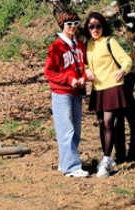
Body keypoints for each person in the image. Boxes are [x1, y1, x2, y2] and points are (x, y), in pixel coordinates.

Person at [83, 12, 133, 178]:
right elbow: (83, 63)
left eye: (98, 26)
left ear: (103, 26)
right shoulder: (87, 45)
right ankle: (107, 156)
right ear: (87, 28)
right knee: (101, 123)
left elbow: (126, 60)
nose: (95, 29)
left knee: (108, 121)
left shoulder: (110, 42)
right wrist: (87, 70)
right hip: (98, 88)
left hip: (112, 86)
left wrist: (123, 70)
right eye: (91, 26)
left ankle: (106, 159)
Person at [44, 10, 89, 178]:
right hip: (61, 93)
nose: (72, 27)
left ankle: (65, 162)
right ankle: (71, 167)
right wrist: (68, 80)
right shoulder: (56, 47)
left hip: (76, 92)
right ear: (62, 25)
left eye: (75, 23)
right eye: (69, 24)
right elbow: (49, 72)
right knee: (66, 129)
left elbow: (84, 66)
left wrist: (83, 78)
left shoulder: (80, 45)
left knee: (76, 130)